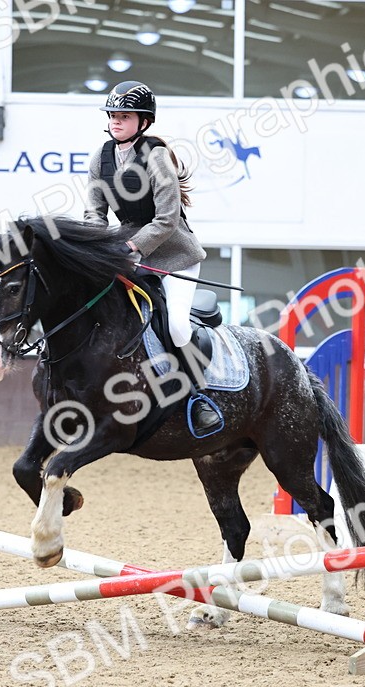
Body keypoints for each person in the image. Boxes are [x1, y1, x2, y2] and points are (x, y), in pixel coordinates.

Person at [84, 79, 223, 439]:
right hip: (128, 255)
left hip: (175, 256)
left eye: (124, 115)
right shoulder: (101, 157)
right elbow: (94, 214)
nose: (116, 120)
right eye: (112, 114)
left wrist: (131, 248)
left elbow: (166, 220)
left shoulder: (156, 156)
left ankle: (199, 397)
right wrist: (95, 248)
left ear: (144, 121)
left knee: (175, 325)